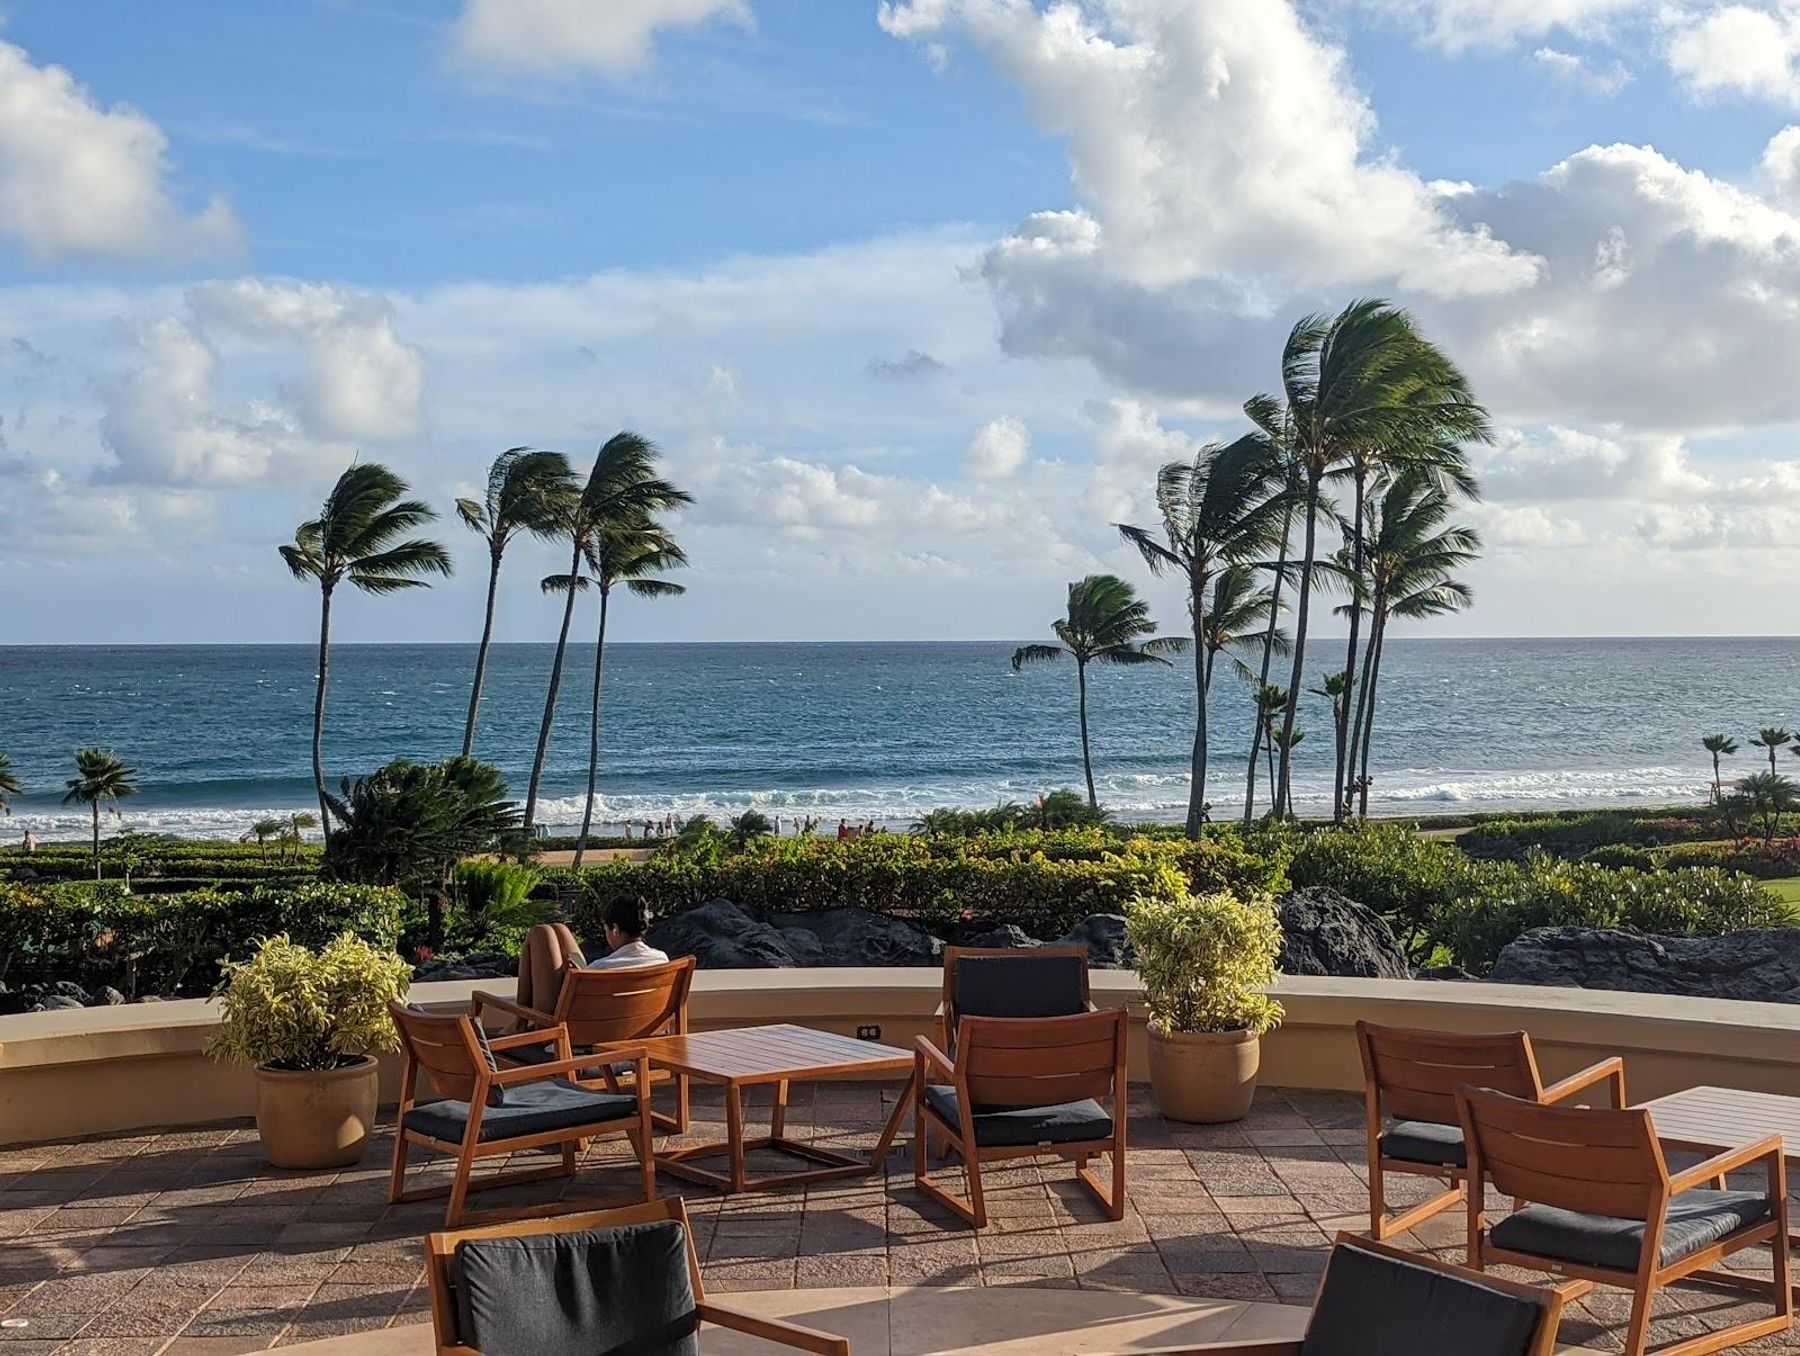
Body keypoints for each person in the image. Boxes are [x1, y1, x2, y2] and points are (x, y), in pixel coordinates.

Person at [512, 897, 672, 1016]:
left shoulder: (601, 968)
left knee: (541, 933)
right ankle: (519, 1023)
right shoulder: (662, 961)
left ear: (615, 930)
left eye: (606, 929)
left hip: (572, 1038)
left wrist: (577, 979)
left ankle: (520, 1022)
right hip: (637, 1031)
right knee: (558, 929)